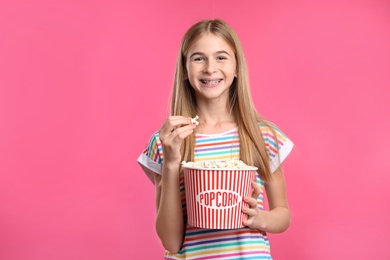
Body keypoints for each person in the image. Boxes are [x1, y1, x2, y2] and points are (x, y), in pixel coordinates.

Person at [137, 19, 294, 259]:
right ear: (185, 70)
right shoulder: (167, 141)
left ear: (237, 67)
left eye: (221, 57)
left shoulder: (263, 136)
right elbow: (170, 240)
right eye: (199, 58)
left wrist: (259, 217)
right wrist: (170, 162)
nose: (210, 68)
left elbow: (282, 215)